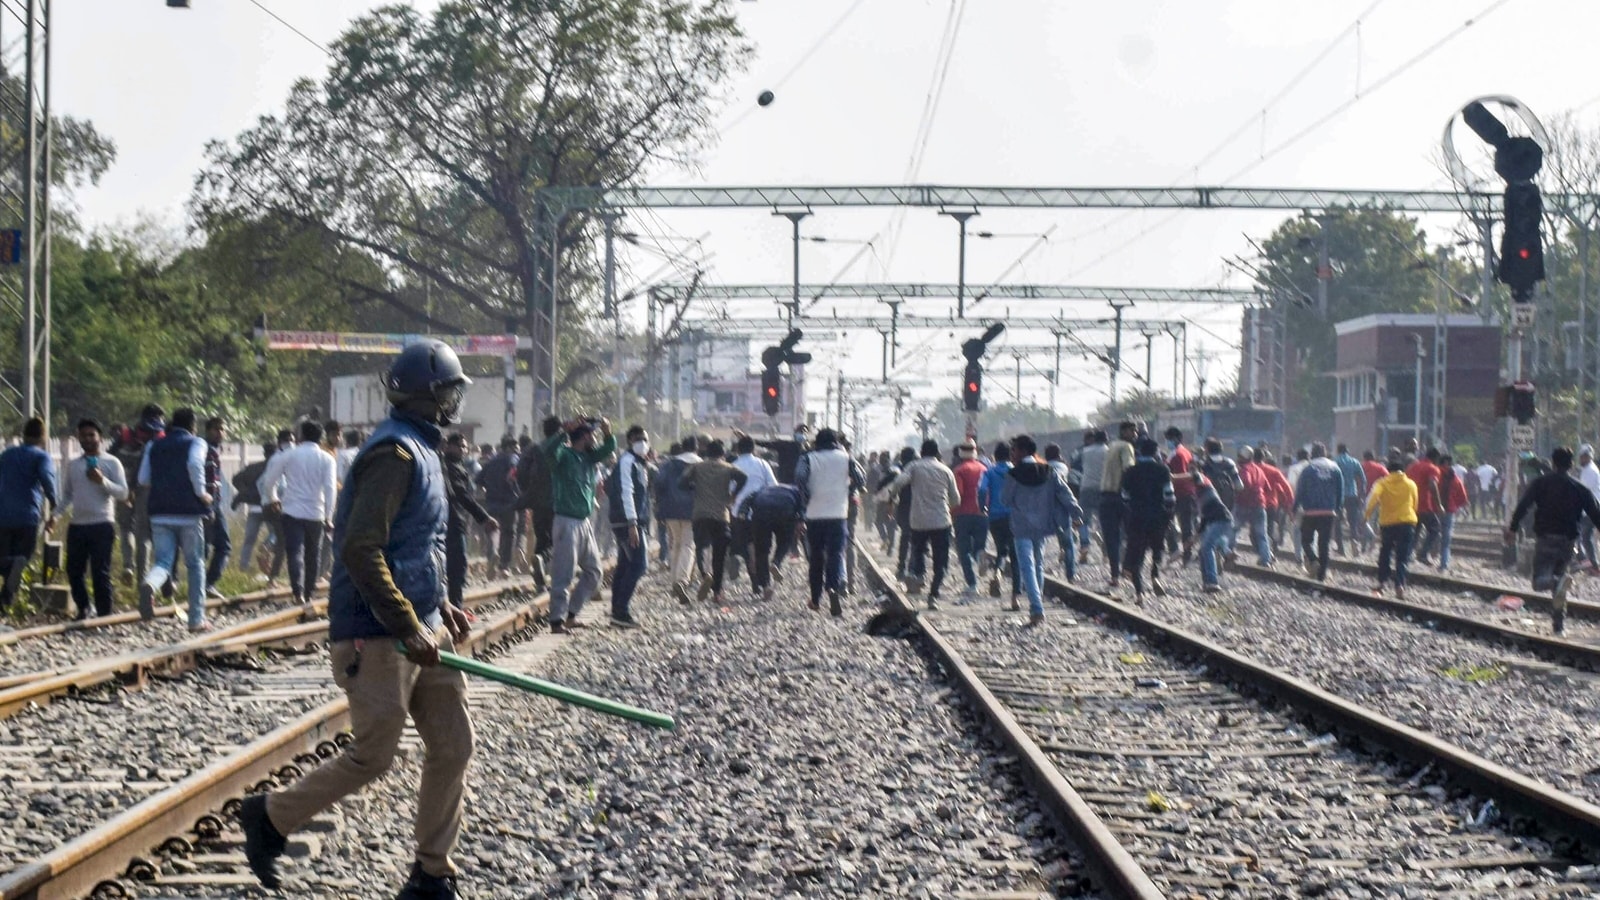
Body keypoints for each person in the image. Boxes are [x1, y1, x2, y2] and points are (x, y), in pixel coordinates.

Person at [240, 339, 476, 899]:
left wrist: (440, 605)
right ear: (425, 397)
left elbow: (421, 544)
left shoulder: (424, 448)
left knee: (453, 743)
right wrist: (406, 625)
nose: (453, 402)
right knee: (374, 753)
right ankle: (269, 817)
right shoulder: (391, 456)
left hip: (419, 626)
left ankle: (432, 874)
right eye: (447, 392)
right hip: (377, 632)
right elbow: (361, 549)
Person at [1506, 446, 1600, 635]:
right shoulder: (1580, 488)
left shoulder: (1540, 483)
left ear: (1554, 462)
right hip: (1569, 541)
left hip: (1546, 538)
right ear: (1571, 464)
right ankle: (1559, 627)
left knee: (1539, 582)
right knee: (1559, 590)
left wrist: (1513, 528)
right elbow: (1596, 514)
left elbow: (1523, 505)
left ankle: (1557, 580)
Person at [138, 409, 213, 628]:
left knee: (163, 562)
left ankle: (150, 585)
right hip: (188, 513)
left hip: (159, 513)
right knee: (195, 564)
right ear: (193, 425)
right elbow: (194, 465)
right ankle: (196, 619)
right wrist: (201, 494)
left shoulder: (154, 445)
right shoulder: (197, 443)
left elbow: (143, 479)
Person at [544, 417, 617, 632]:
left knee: (594, 572)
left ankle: (572, 614)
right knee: (563, 574)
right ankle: (556, 620)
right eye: (592, 435)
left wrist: (607, 430)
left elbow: (608, 449)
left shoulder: (588, 458)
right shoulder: (564, 456)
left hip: (584, 522)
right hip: (566, 521)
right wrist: (563, 433)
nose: (594, 438)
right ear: (584, 437)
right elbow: (548, 453)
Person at [1001, 434, 1080, 626]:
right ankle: (1037, 606)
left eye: (1014, 449)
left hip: (1021, 527)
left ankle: (1036, 608)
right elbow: (1064, 492)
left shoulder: (1013, 474)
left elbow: (1005, 500)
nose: (1011, 454)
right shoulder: (1049, 470)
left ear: (1022, 451)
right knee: (1038, 565)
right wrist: (1076, 512)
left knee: (1026, 566)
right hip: (1043, 525)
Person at [258, 420, 338, 604]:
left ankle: (297, 592)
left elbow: (269, 481)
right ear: (321, 437)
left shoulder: (289, 456)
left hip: (291, 511)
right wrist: (328, 516)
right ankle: (309, 593)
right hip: (316, 513)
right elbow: (330, 489)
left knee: (294, 551)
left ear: (301, 436)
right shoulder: (327, 459)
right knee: (313, 554)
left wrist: (273, 499)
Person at [882, 439, 960, 608]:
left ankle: (918, 575)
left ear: (922, 452)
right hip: (941, 520)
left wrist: (891, 499)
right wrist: (944, 506)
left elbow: (898, 482)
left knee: (918, 550)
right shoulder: (946, 470)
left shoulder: (914, 467)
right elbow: (956, 500)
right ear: (937, 453)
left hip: (919, 520)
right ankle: (933, 594)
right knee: (941, 561)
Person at [62, 419, 128, 619]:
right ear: (79, 438)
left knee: (100, 572)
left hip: (102, 524)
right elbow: (67, 495)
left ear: (99, 437)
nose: (88, 439)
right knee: (74, 571)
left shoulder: (111, 462)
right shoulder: (74, 465)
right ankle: (84, 608)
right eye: (84, 435)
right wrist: (54, 516)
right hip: (78, 525)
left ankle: (105, 614)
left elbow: (123, 493)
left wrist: (103, 481)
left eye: (92, 435)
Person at [796, 428, 865, 616]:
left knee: (816, 557)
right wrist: (848, 489)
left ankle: (816, 600)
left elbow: (800, 477)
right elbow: (861, 478)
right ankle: (832, 588)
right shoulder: (846, 457)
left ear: (817, 442)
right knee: (835, 554)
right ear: (836, 442)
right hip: (838, 514)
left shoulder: (808, 458)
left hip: (814, 514)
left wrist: (806, 494)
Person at [677, 439, 746, 605]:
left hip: (700, 514)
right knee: (719, 554)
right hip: (721, 516)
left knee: (701, 547)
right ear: (722, 454)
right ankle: (717, 592)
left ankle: (704, 574)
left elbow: (681, 482)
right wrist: (734, 495)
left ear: (706, 453)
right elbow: (743, 478)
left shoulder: (697, 467)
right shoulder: (728, 467)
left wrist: (694, 488)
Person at [442, 433, 496, 611]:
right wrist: (483, 517)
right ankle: (455, 608)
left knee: (452, 567)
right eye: (460, 446)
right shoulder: (451, 468)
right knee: (457, 567)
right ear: (449, 446)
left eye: (465, 447)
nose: (463, 450)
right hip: (453, 521)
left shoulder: (455, 466)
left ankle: (451, 607)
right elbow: (462, 495)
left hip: (452, 520)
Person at [1119, 437, 1175, 600]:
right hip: (1157, 515)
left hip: (1137, 516)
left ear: (1139, 452)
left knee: (1137, 552)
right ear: (1155, 452)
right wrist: (1169, 515)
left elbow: (1125, 496)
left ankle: (1139, 592)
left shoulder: (1130, 471)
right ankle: (1155, 574)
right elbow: (1169, 496)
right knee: (1158, 548)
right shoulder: (1163, 470)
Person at [606, 426, 651, 627]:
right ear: (631, 440)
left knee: (625, 565)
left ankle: (617, 610)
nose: (644, 443)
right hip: (628, 522)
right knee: (639, 565)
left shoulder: (639, 464)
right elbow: (627, 492)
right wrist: (632, 523)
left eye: (646, 439)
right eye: (640, 439)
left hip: (629, 520)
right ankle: (621, 610)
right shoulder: (627, 462)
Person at [739, 482, 803, 602]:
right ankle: (776, 562)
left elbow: (747, 500)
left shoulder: (761, 489)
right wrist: (801, 520)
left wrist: (743, 514)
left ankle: (765, 586)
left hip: (762, 511)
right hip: (785, 509)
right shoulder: (795, 491)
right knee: (785, 541)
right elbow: (802, 506)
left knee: (761, 551)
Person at [654, 438, 701, 601]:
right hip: (692, 511)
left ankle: (674, 582)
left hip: (670, 510)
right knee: (688, 545)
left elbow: (658, 484)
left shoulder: (668, 464)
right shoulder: (700, 464)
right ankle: (681, 580)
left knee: (676, 545)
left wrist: (659, 507)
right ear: (696, 448)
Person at [1366, 458, 1418, 600]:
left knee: (1385, 552)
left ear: (1388, 471)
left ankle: (1382, 582)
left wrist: (1366, 516)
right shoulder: (1411, 484)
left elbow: (1373, 498)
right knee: (1402, 556)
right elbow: (1415, 503)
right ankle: (1399, 585)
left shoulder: (1382, 483)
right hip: (1407, 522)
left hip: (1388, 524)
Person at [728, 434, 776, 583]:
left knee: (745, 544)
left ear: (738, 450)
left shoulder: (734, 465)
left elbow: (729, 489)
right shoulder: (763, 464)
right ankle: (760, 580)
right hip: (760, 511)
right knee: (760, 546)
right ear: (753, 449)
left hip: (738, 513)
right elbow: (773, 486)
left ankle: (740, 559)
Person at [1293, 442, 1344, 582]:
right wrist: (1338, 509)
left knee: (1306, 541)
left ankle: (1313, 560)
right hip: (1328, 513)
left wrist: (1295, 508)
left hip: (1310, 512)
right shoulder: (1335, 468)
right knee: (1324, 544)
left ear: (1312, 454)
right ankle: (1321, 577)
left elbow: (1300, 491)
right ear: (1325, 453)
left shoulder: (1308, 469)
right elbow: (1340, 492)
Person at [979, 442, 1020, 602]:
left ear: (995, 456)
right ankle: (1016, 596)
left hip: (995, 516)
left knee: (1001, 550)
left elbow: (982, 489)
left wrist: (982, 506)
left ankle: (998, 572)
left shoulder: (989, 471)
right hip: (1014, 517)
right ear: (1011, 455)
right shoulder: (1016, 471)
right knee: (1016, 556)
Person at [473, 438, 521, 575]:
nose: (517, 451)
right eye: (515, 448)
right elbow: (513, 474)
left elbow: (478, 480)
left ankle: (492, 554)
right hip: (510, 502)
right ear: (509, 448)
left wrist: (488, 488)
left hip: (492, 502)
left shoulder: (491, 462)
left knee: (493, 531)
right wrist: (516, 489)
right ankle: (504, 566)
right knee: (509, 533)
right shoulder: (513, 459)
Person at [1098, 422, 1137, 587]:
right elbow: (1129, 469)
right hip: (1121, 497)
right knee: (1133, 534)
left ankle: (1115, 576)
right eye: (1133, 431)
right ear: (1126, 431)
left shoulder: (1111, 446)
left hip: (1105, 497)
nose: (1135, 434)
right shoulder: (1127, 447)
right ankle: (1129, 568)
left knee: (1111, 539)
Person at [951, 438, 990, 600]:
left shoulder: (959, 470)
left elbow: (957, 495)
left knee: (963, 549)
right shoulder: (984, 468)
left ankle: (972, 584)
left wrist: (952, 512)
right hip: (983, 514)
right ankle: (981, 554)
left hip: (963, 514)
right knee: (978, 546)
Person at [233, 443, 277, 578]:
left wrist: (245, 492)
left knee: (249, 540)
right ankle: (267, 549)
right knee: (277, 535)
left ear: (264, 453)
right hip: (271, 508)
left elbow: (236, 479)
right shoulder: (277, 468)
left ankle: (243, 569)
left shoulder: (253, 468)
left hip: (254, 508)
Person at [1192, 471, 1234, 593]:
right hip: (1215, 521)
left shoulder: (1205, 485)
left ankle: (1212, 582)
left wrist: (1175, 477)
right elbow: (1204, 519)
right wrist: (1195, 536)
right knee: (1202, 550)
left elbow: (1196, 476)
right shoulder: (1200, 494)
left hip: (1222, 520)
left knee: (1207, 547)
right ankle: (1207, 583)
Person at [203, 417, 230, 598]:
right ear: (208, 431)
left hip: (212, 504)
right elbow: (209, 483)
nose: (220, 433)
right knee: (222, 546)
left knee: (205, 546)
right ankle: (207, 583)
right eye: (216, 429)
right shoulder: (206, 451)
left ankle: (202, 584)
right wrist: (210, 508)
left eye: (222, 429)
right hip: (209, 505)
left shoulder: (213, 450)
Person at [1042, 443, 1078, 582]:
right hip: (1062, 510)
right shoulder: (1063, 467)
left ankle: (1038, 571)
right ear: (1058, 454)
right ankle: (1070, 575)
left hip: (1045, 510)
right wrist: (1074, 511)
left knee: (1040, 542)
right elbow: (1067, 491)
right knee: (1068, 543)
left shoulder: (1042, 469)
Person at [1233, 445, 1272, 566]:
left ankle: (1227, 552)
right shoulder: (1259, 470)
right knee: (1262, 534)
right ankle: (1266, 559)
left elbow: (1246, 483)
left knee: (1233, 530)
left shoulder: (1244, 469)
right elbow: (1267, 487)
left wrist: (1237, 492)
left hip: (1244, 504)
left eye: (1240, 456)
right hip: (1260, 504)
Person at [1163, 427, 1196, 565]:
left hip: (1181, 494)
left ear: (1176, 438)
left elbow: (1183, 475)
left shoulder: (1178, 454)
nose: (1167, 442)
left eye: (1169, 439)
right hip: (1184, 494)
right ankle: (1182, 554)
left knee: (1174, 523)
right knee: (1185, 525)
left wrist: (1170, 477)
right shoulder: (1185, 452)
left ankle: (1180, 552)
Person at [1407, 448, 1445, 566]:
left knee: (1415, 531)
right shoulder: (1433, 469)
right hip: (1424, 505)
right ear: (1436, 458)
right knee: (1435, 529)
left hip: (1411, 505)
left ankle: (1408, 555)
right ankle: (1423, 554)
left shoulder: (1412, 467)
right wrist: (1439, 505)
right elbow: (1433, 485)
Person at [1075, 429, 1107, 565]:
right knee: (1104, 521)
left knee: (1083, 520)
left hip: (1086, 487)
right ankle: (1106, 552)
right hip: (1103, 488)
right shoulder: (1109, 451)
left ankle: (1084, 546)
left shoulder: (1084, 452)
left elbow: (1076, 467)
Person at [1333, 443, 1368, 556]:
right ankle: (1355, 543)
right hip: (1352, 494)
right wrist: (1361, 495)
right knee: (1353, 522)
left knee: (1337, 522)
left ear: (1338, 451)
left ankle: (1340, 549)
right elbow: (1363, 480)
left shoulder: (1335, 461)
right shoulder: (1355, 462)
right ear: (1347, 451)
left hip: (1338, 495)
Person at [1437, 453, 1469, 572]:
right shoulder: (1455, 478)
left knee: (1434, 533)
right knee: (1446, 539)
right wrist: (1458, 506)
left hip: (1435, 509)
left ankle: (1428, 554)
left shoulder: (1436, 473)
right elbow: (1463, 497)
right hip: (1449, 511)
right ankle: (1443, 564)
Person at [1576, 445, 1600, 572]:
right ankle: (1588, 562)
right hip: (1589, 508)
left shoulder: (1590, 471)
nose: (1581, 459)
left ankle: (1593, 564)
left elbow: (1583, 490)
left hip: (1591, 508)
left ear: (1588, 457)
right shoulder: (1587, 470)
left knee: (1585, 536)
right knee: (1584, 536)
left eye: (1583, 457)